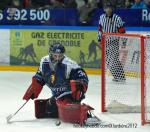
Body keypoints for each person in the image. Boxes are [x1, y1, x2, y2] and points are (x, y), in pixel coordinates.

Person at [22, 43, 99, 125]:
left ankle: (88, 114)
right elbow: (40, 77)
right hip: (57, 95)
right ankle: (63, 109)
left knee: (66, 109)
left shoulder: (69, 64)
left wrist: (80, 87)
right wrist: (34, 87)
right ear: (50, 54)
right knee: (48, 109)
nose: (58, 58)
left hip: (69, 94)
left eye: (60, 56)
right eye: (55, 55)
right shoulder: (44, 62)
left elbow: (82, 77)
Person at [98, 3, 126, 82]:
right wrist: (100, 40)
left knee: (114, 60)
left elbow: (122, 31)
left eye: (110, 8)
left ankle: (121, 76)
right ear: (104, 9)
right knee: (107, 60)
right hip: (105, 42)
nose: (109, 10)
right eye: (107, 8)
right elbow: (100, 29)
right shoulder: (101, 17)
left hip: (114, 42)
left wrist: (124, 42)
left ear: (112, 9)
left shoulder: (117, 18)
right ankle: (117, 76)